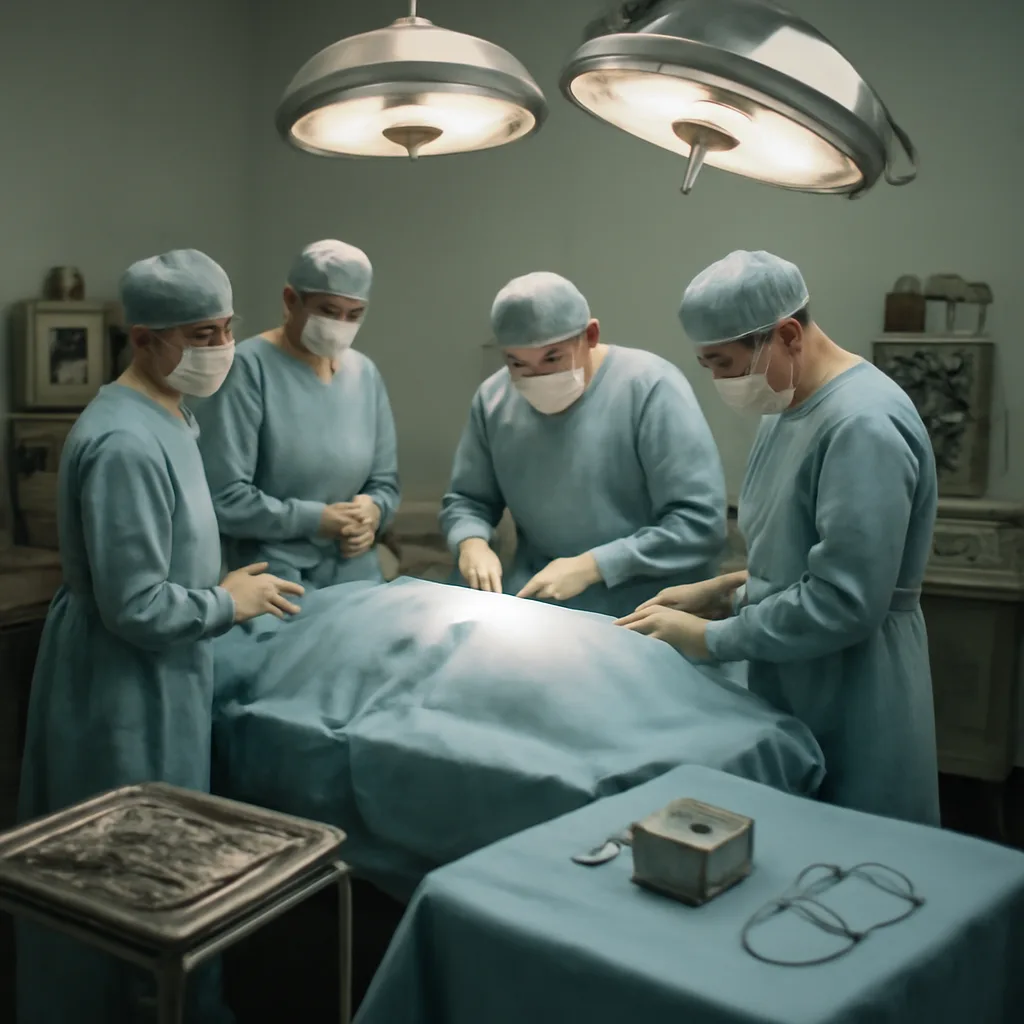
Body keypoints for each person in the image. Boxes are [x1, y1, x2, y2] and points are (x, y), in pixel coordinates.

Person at [17, 249, 304, 1024]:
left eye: (227, 327)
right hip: (120, 687)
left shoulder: (172, 414)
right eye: (200, 333)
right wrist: (228, 602)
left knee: (168, 871)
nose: (220, 347)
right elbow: (138, 606)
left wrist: (227, 594)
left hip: (164, 675)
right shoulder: (124, 443)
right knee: (127, 881)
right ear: (142, 339)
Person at [616, 249, 940, 826]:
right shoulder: (788, 407)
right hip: (790, 666)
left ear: (787, 334)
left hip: (854, 684)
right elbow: (798, 555)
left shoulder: (863, 424)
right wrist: (723, 591)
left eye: (724, 363)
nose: (719, 381)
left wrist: (710, 639)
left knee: (856, 863)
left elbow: (845, 600)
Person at [439, 270, 727, 618]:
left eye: (552, 358)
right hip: (543, 603)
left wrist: (595, 566)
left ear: (590, 335)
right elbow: (469, 500)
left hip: (649, 609)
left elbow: (700, 524)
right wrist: (470, 541)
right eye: (517, 363)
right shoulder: (494, 400)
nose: (536, 377)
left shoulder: (650, 388)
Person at [193, 239, 400, 590]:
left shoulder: (364, 374)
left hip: (354, 571)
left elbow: (385, 482)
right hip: (272, 578)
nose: (341, 324)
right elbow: (224, 498)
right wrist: (315, 520)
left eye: (354, 314)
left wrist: (372, 513)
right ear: (291, 300)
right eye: (329, 311)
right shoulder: (248, 370)